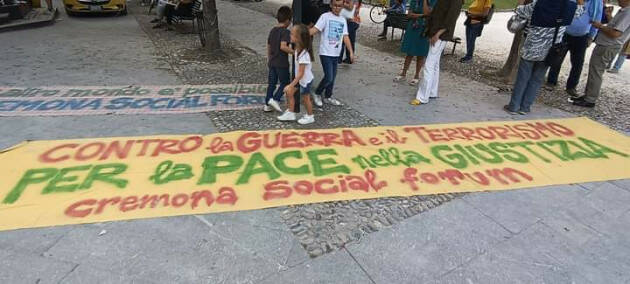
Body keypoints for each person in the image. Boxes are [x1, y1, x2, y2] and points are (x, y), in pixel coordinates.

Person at [505, 0, 584, 115]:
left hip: (532, 47)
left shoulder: (539, 3)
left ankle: (514, 106)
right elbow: (580, 12)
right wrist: (580, 3)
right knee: (537, 79)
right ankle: (525, 107)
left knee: (523, 78)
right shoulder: (570, 6)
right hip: (551, 50)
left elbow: (520, 10)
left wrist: (521, 3)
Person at [573, 0, 630, 107]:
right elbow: (615, 27)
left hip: (608, 45)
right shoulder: (624, 11)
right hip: (606, 43)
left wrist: (600, 26)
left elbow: (615, 33)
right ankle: (588, 95)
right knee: (594, 70)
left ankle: (590, 99)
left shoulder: (628, 13)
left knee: (596, 71)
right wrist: (609, 16)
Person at [544, 0, 602, 98]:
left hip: (582, 35)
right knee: (557, 57)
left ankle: (571, 86)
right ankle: (551, 81)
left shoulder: (596, 2)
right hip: (564, 32)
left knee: (578, 62)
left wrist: (591, 36)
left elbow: (597, 18)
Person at [411, 0, 463, 105]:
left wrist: (438, 34)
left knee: (429, 65)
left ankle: (422, 97)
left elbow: (450, 19)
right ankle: (432, 91)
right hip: (436, 32)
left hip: (440, 35)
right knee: (434, 64)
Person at [309, 0, 355, 107]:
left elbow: (345, 36)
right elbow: (315, 30)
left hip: (336, 53)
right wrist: (301, 33)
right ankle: (317, 93)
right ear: (330, 5)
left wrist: (351, 52)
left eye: (339, 6)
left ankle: (328, 96)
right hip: (325, 52)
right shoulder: (325, 17)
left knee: (333, 77)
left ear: (342, 6)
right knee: (329, 77)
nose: (337, 8)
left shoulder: (342, 20)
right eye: (335, 6)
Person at [278, 24, 317, 124]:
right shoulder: (297, 50)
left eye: (291, 34)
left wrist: (291, 85)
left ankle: (310, 116)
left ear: (298, 38)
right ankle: (291, 113)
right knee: (289, 92)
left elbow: (301, 73)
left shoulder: (303, 54)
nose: (289, 36)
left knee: (306, 99)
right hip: (300, 80)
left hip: (305, 81)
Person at [395, 0, 436, 86]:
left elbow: (428, 13)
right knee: (409, 51)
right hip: (413, 26)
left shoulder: (433, 1)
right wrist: (422, 15)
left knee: (420, 53)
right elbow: (409, 14)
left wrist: (424, 2)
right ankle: (403, 73)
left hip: (424, 28)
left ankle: (416, 76)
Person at [265, 6, 293, 113]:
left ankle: (267, 104)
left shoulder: (273, 30)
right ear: (287, 20)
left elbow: (268, 45)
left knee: (271, 83)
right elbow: (283, 46)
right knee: (285, 82)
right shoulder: (285, 32)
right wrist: (294, 52)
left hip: (272, 61)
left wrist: (269, 58)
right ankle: (275, 99)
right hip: (281, 62)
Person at [339, 0, 361, 64]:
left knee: (343, 39)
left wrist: (341, 4)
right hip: (354, 21)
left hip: (351, 21)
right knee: (351, 40)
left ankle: (339, 58)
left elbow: (351, 7)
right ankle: (349, 59)